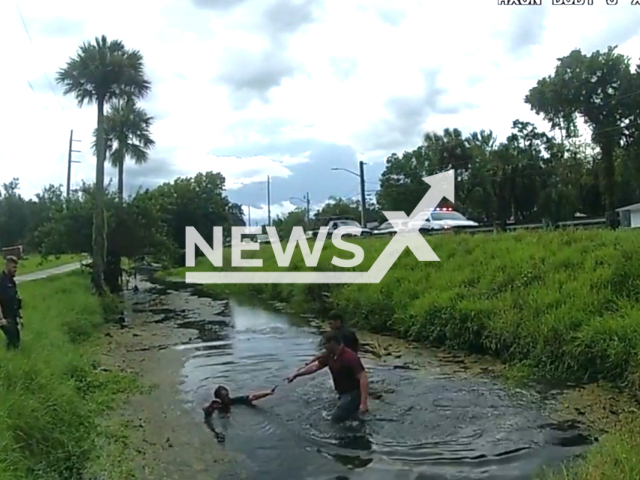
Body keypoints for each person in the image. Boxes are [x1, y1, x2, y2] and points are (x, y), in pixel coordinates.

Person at [288, 331, 368, 423]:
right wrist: (296, 375)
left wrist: (363, 403)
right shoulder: (330, 355)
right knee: (351, 418)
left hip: (353, 393)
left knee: (335, 420)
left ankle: (341, 436)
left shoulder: (350, 357)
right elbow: (315, 367)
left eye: (324, 344)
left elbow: (363, 378)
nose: (323, 347)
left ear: (332, 343)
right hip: (342, 392)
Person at [202, 385, 277, 442]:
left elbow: (252, 396)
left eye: (227, 395)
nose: (227, 398)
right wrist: (211, 406)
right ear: (219, 398)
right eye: (224, 397)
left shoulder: (232, 401)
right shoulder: (215, 406)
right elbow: (204, 409)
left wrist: (268, 392)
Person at [0, 256, 22, 349]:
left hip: (13, 316)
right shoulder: (1, 281)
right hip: (5, 316)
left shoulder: (11, 281)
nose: (15, 270)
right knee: (13, 338)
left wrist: (20, 316)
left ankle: (12, 357)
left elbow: (15, 299)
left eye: (16, 267)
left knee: (15, 340)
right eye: (13, 267)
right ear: (7, 266)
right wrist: (1, 319)